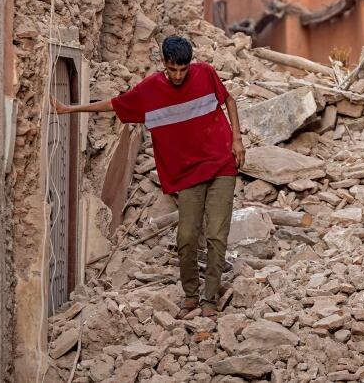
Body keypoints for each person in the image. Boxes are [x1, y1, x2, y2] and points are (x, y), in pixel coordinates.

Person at [51, 36, 245, 318]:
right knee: (187, 237)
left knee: (216, 234)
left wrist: (237, 139)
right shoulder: (150, 90)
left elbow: (228, 99)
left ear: (190, 64)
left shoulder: (205, 73)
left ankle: (209, 299)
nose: (178, 76)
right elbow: (115, 104)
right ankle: (190, 294)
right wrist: (70, 109)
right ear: (164, 63)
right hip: (187, 173)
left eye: (183, 69)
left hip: (221, 165)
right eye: (172, 70)